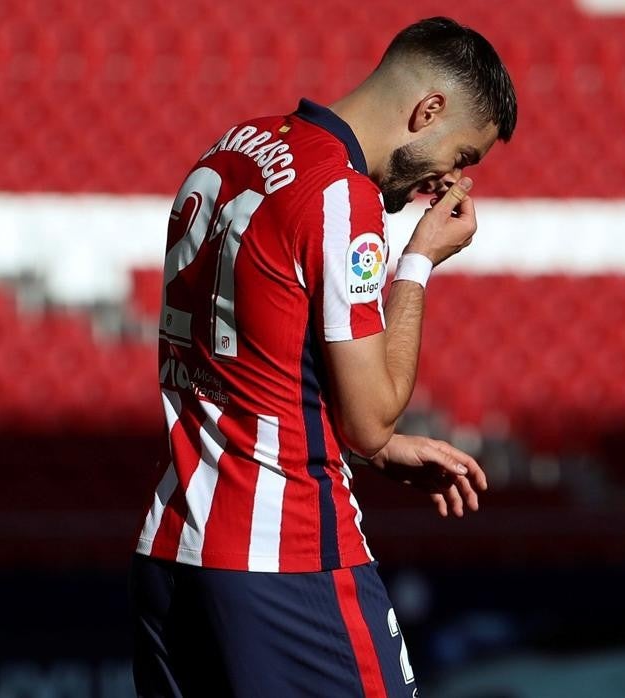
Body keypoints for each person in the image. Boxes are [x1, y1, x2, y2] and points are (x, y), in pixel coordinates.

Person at [129, 17, 516, 696]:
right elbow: (373, 417)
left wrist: (382, 452)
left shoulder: (231, 147)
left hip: (172, 550)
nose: (450, 180)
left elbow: (255, 357)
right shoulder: (343, 194)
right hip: (285, 559)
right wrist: (419, 262)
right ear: (428, 111)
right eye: (462, 155)